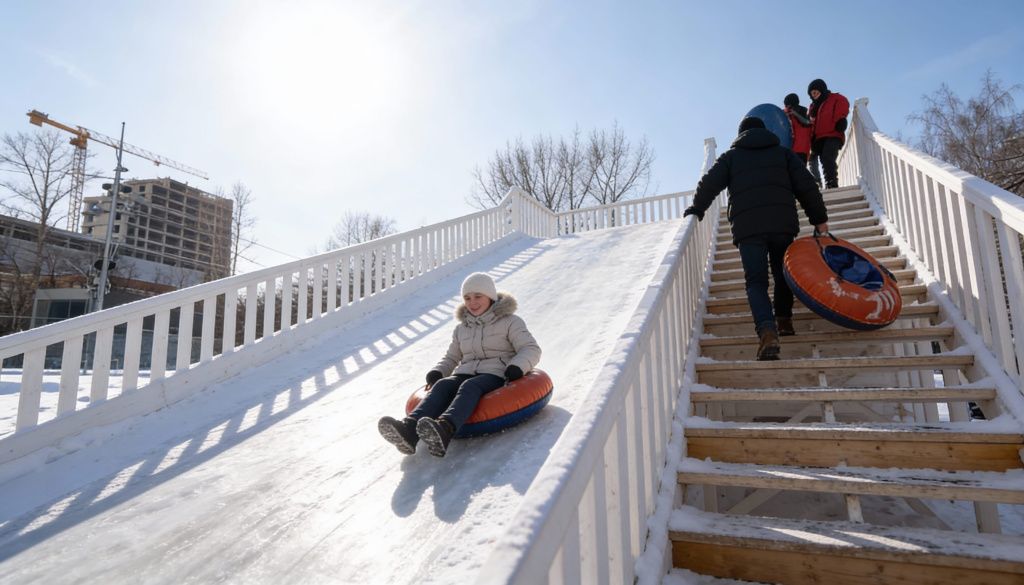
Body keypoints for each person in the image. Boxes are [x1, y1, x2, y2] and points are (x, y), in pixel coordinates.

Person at [683, 117, 829, 360]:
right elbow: (807, 186)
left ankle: (767, 330)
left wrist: (697, 209)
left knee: (756, 282)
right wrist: (819, 220)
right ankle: (784, 321)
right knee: (784, 273)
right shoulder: (783, 154)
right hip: (782, 224)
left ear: (741, 134)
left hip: (748, 229)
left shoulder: (731, 157)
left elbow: (709, 184)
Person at [378, 272, 542, 457]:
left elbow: (530, 348)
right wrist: (438, 371)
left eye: (478, 296)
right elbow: (451, 357)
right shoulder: (462, 329)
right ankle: (409, 430)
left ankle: (445, 429)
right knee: (443, 385)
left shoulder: (510, 322)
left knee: (469, 386)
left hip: (496, 373)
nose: (472, 302)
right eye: (467, 298)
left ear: (490, 296)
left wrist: (517, 367)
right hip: (466, 370)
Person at [807, 78, 850, 189]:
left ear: (822, 90)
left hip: (833, 134)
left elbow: (843, 104)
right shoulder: (812, 108)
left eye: (816, 92)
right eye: (812, 94)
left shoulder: (835, 98)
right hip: (819, 138)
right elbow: (810, 123)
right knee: (824, 161)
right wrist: (811, 138)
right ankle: (829, 182)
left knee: (828, 158)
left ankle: (832, 182)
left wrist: (841, 119)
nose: (814, 95)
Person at [783, 93, 818, 186]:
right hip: (800, 147)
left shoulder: (798, 111)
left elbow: (807, 123)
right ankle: (815, 183)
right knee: (798, 171)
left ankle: (811, 184)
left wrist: (793, 113)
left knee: (797, 172)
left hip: (797, 147)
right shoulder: (788, 113)